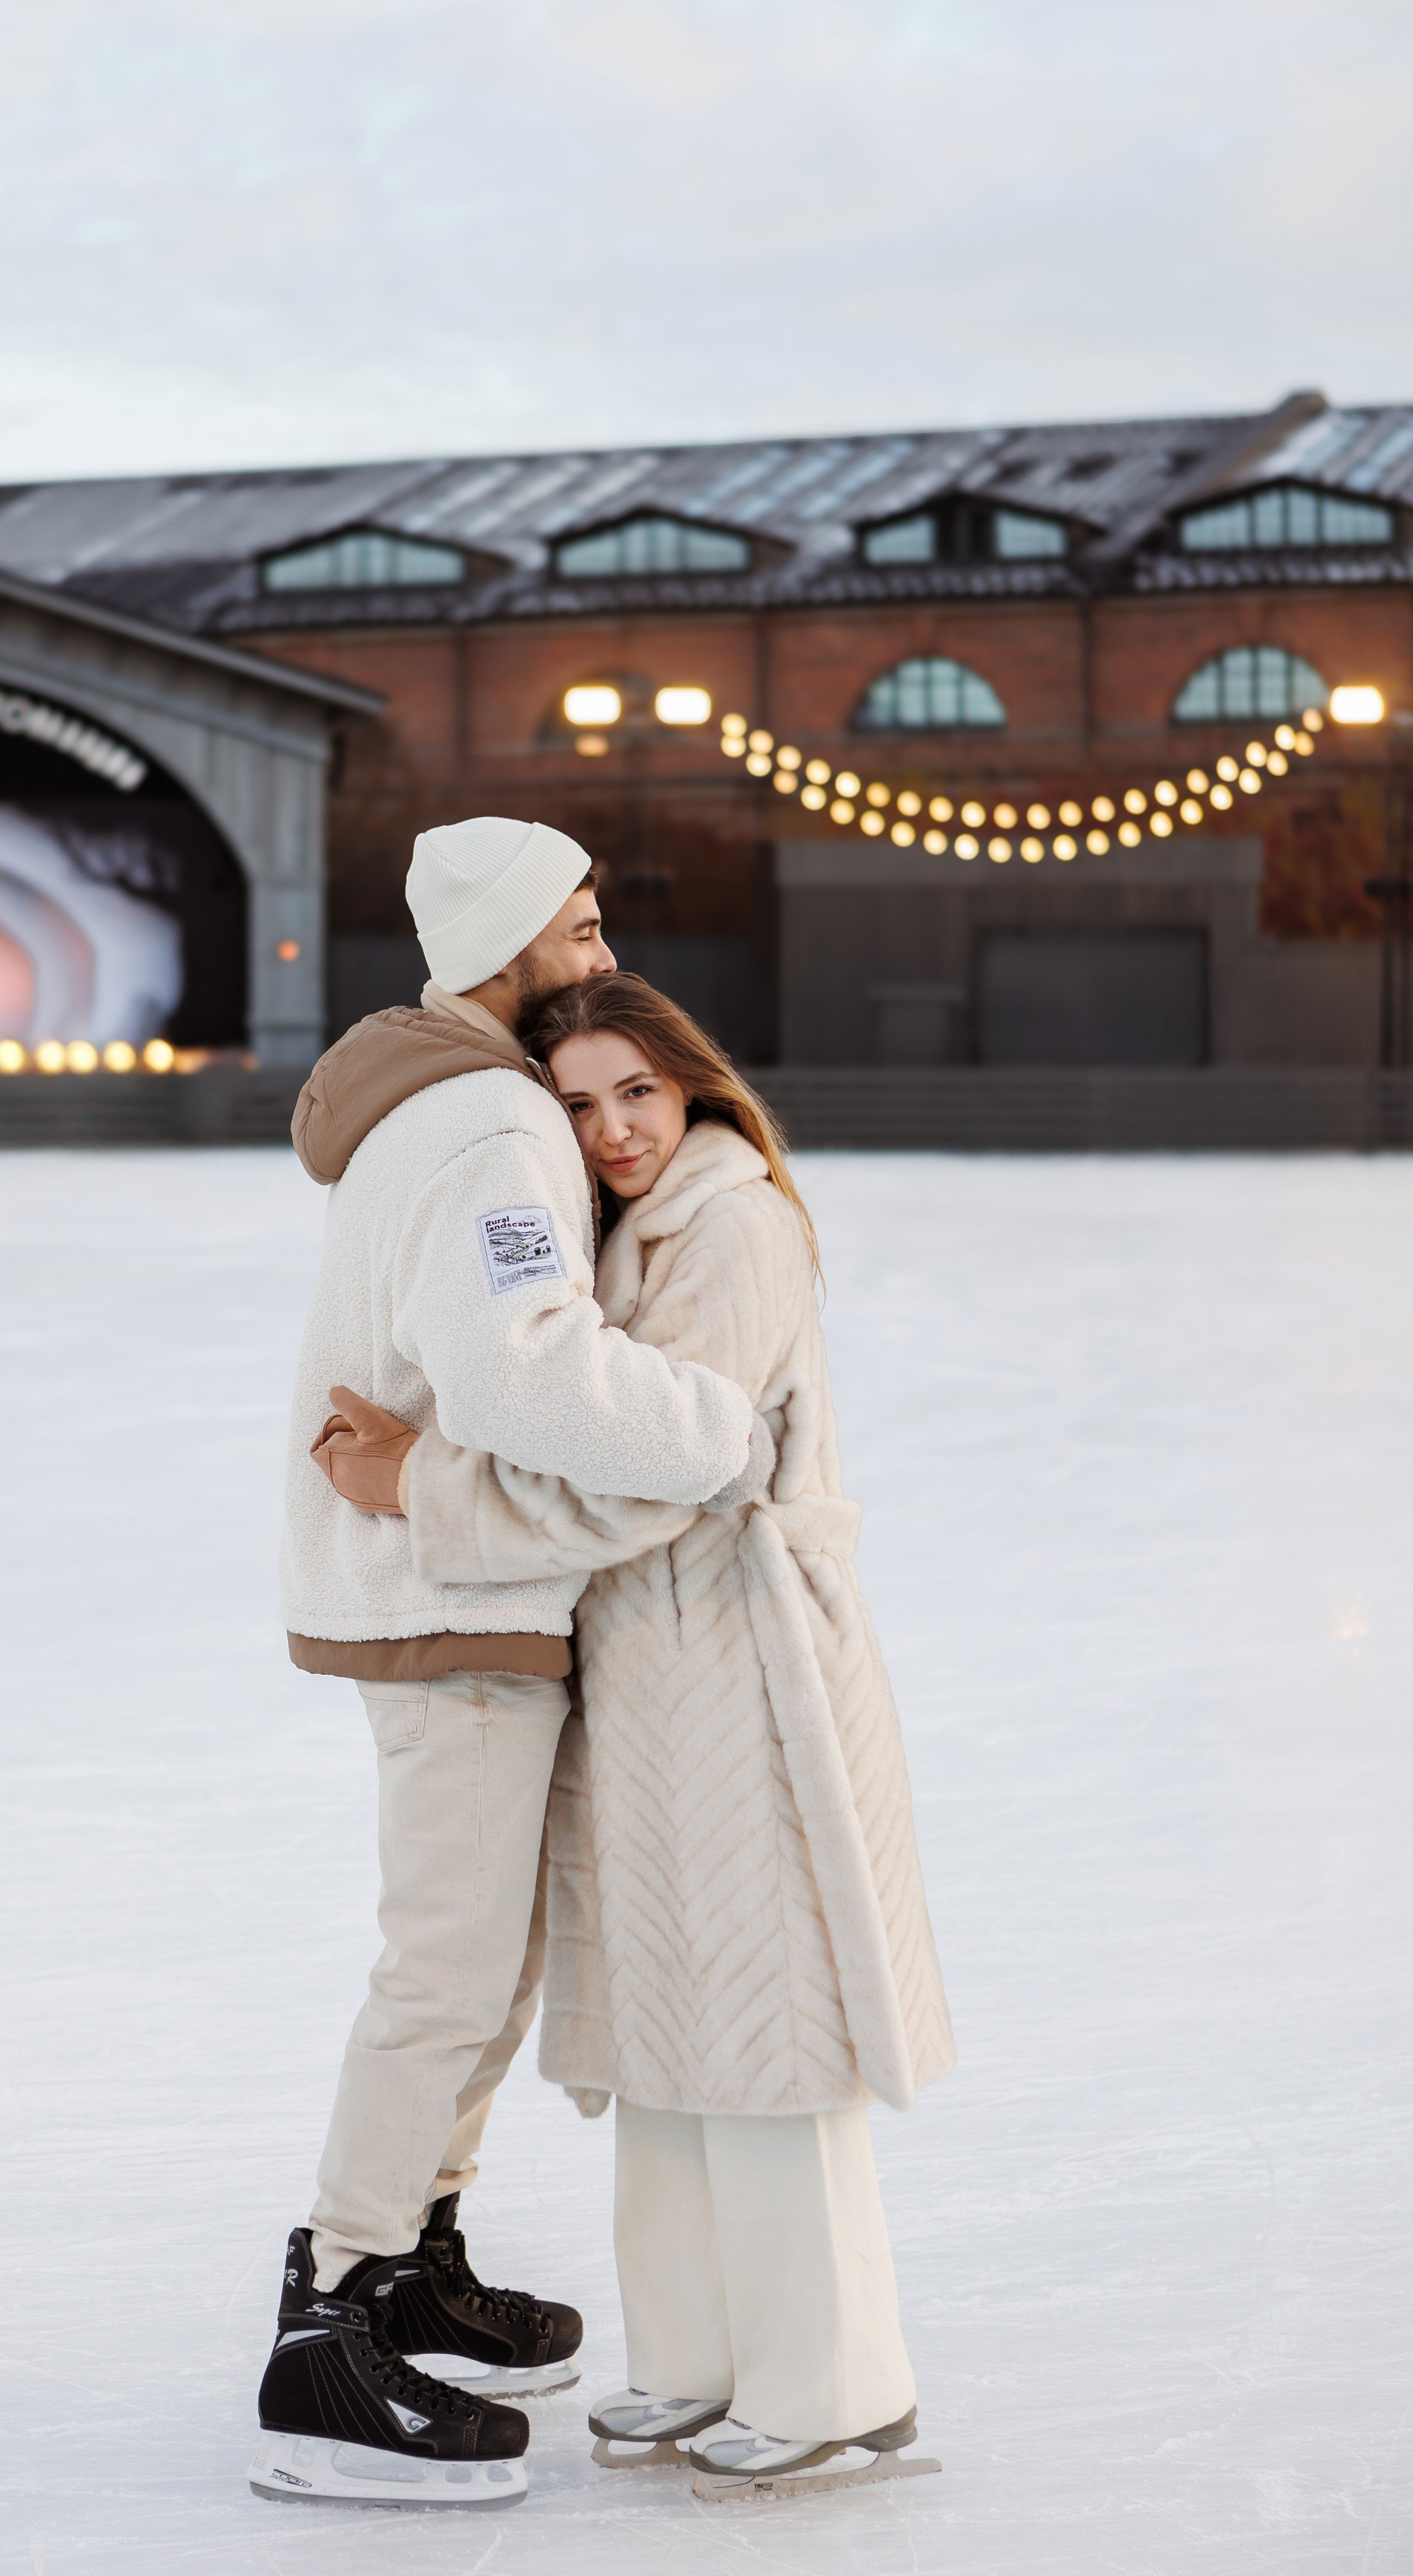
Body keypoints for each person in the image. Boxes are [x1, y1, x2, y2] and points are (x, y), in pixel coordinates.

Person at [321, 972, 955, 2491]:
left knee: (766, 2029)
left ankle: (830, 2380)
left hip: (744, 1668)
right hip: (643, 1666)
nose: (610, 1130)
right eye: (581, 1103)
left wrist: (423, 1485)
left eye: (638, 1095)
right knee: (674, 2025)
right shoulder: (608, 1233)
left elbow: (666, 1468)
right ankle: (691, 2358)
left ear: (696, 1090)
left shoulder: (732, 1223)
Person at [250, 828, 770, 2509]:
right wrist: (702, 1428)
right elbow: (520, 1370)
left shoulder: (456, 1103)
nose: (601, 942)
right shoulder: (488, 1123)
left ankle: (413, 2257)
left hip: (455, 1587)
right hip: (447, 1600)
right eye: (578, 923)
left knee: (488, 1965)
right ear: (502, 943)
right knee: (448, 1971)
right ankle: (329, 2314)